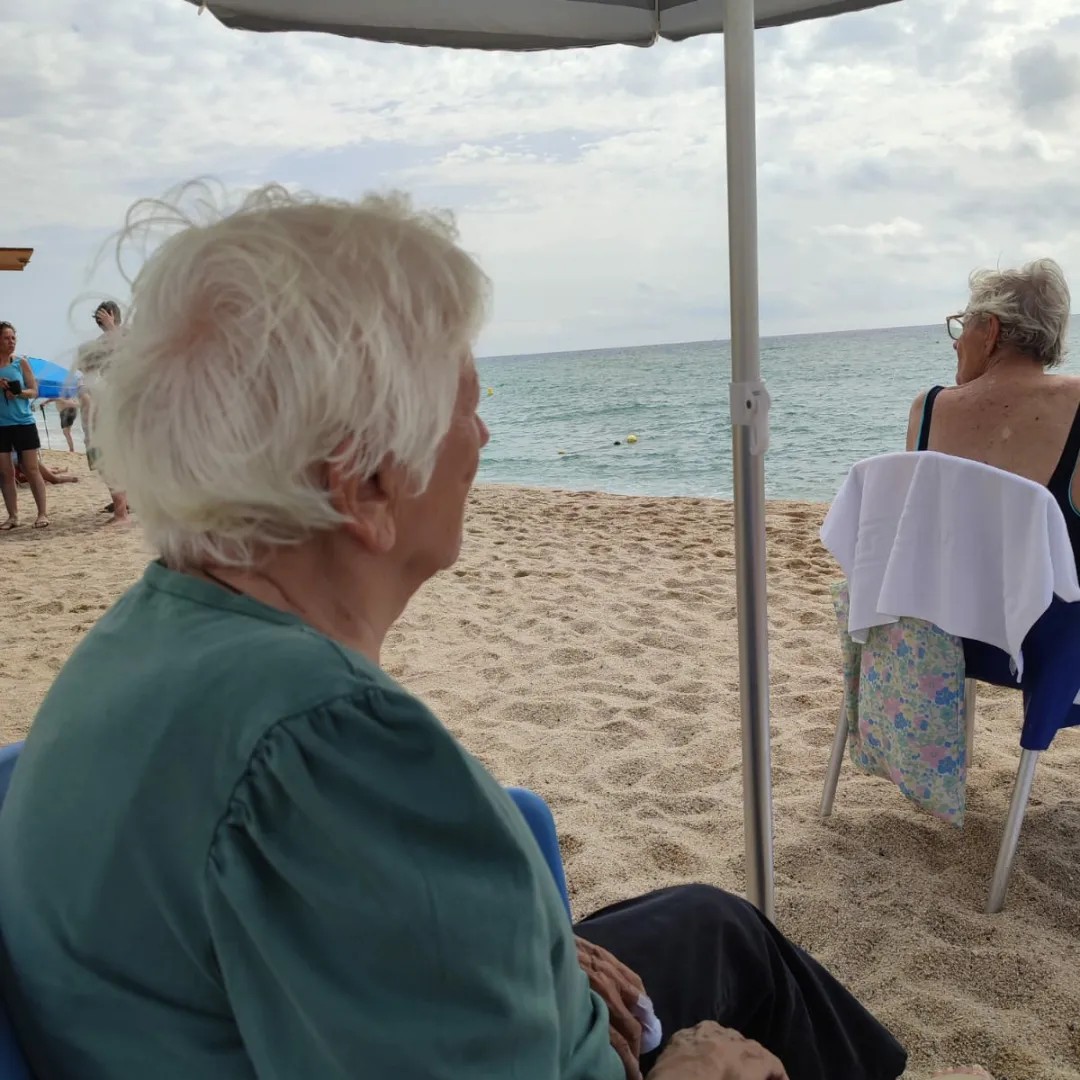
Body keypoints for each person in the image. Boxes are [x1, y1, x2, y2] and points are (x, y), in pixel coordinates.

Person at [0, 184, 908, 1080]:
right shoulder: (328, 748)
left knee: (716, 924)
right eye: (465, 402)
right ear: (363, 483)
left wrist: (535, 950)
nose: (483, 434)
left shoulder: (149, 634)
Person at [908, 259, 1080, 564]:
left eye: (962, 326)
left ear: (990, 330)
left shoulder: (928, 409)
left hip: (951, 595)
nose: (956, 344)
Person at [79, 300, 131, 525]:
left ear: (111, 314)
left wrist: (112, 328)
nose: (99, 322)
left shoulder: (127, 334)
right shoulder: (100, 342)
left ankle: (122, 512)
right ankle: (123, 508)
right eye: (98, 319)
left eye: (102, 317)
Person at [0, 321, 48, 529]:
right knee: (5, 473)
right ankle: (13, 516)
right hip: (1, 426)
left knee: (31, 469)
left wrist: (18, 393)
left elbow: (34, 391)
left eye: (13, 338)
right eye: (6, 338)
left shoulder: (21, 363)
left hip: (23, 423)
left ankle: (42, 514)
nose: (11, 342)